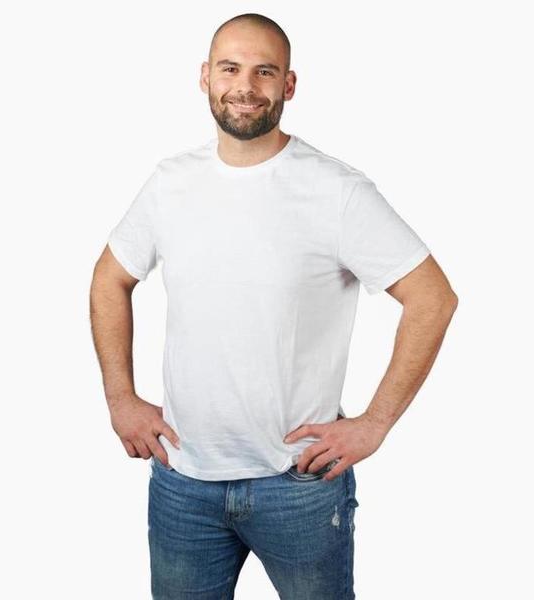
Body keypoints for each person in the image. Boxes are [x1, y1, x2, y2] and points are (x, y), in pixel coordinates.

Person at [90, 12, 458, 600]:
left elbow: (433, 298)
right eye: (230, 68)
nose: (245, 86)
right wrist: (120, 398)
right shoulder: (169, 182)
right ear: (205, 77)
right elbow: (110, 279)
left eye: (264, 71)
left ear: (288, 84)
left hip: (298, 484)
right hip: (183, 480)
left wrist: (375, 423)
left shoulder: (336, 190)